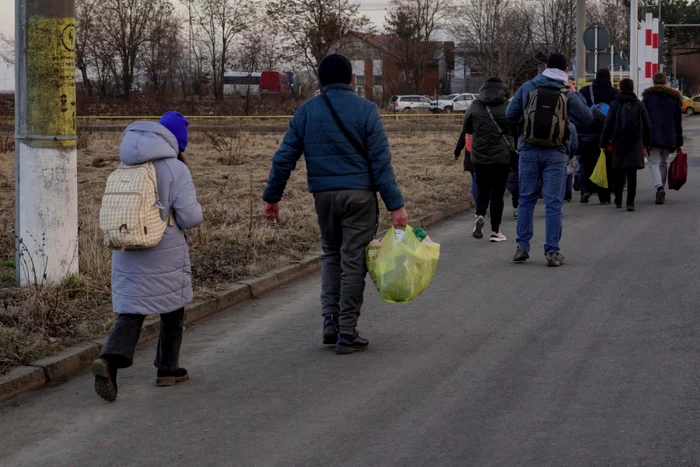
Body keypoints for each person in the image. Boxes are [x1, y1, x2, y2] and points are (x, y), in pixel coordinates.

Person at [262, 54, 408, 355]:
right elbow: (381, 163)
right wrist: (396, 205)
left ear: (320, 80)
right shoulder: (367, 110)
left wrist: (272, 197)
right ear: (351, 79)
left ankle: (330, 323)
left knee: (331, 255)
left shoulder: (306, 112)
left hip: (323, 196)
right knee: (354, 260)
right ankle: (347, 332)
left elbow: (284, 157)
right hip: (360, 197)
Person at [92, 112, 203, 402]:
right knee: (173, 309)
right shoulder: (175, 169)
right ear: (177, 142)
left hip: (127, 248)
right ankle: (168, 369)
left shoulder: (126, 163)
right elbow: (190, 217)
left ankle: (109, 360)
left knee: (131, 311)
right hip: (163, 250)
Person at [507, 53, 593, 267]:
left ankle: (522, 247)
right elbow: (588, 119)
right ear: (565, 70)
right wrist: (574, 95)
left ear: (545, 67)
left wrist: (524, 129)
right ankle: (552, 252)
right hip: (556, 153)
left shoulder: (528, 86)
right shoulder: (566, 91)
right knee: (553, 203)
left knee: (526, 199)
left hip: (527, 151)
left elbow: (510, 114)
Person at [460, 77, 514, 242]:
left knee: (482, 188)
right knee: (497, 193)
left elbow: (467, 129)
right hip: (502, 157)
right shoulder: (507, 106)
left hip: (479, 156)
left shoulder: (475, 105)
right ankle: (496, 231)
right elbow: (515, 128)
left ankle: (480, 215)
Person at [600, 78, 652, 211]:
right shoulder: (639, 104)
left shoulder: (614, 104)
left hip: (618, 142)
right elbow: (647, 126)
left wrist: (603, 142)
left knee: (618, 171)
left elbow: (607, 125)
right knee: (632, 173)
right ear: (633, 89)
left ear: (620, 89)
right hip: (635, 142)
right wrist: (646, 143)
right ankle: (630, 203)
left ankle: (618, 200)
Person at [578, 69, 620, 205]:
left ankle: (585, 190)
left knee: (586, 163)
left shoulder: (584, 91)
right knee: (606, 164)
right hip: (607, 135)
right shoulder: (614, 93)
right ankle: (604, 196)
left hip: (587, 134)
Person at [641, 72, 684, 204]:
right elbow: (678, 121)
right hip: (669, 135)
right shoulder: (675, 98)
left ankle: (659, 187)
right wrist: (678, 141)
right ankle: (661, 189)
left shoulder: (647, 97)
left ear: (653, 82)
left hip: (651, 135)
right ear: (666, 82)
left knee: (653, 163)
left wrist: (642, 139)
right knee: (663, 163)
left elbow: (643, 118)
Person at [454, 128, 480, 206]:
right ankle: (487, 202)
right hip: (486, 154)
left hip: (471, 155)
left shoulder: (469, 118)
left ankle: (478, 207)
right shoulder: (490, 118)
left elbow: (462, 137)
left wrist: (457, 152)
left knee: (475, 180)